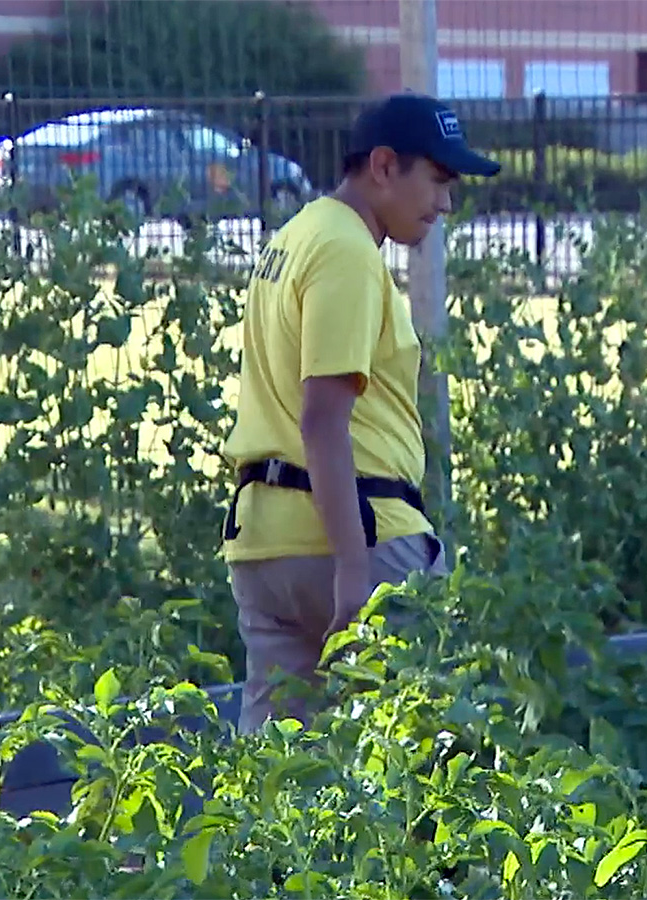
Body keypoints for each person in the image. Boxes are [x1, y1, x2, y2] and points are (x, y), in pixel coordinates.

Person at [219, 92, 503, 734]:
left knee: (276, 772)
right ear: (382, 166)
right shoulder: (347, 251)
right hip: (359, 539)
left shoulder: (296, 236)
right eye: (436, 179)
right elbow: (322, 417)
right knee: (429, 759)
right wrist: (353, 568)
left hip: (266, 542)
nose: (445, 203)